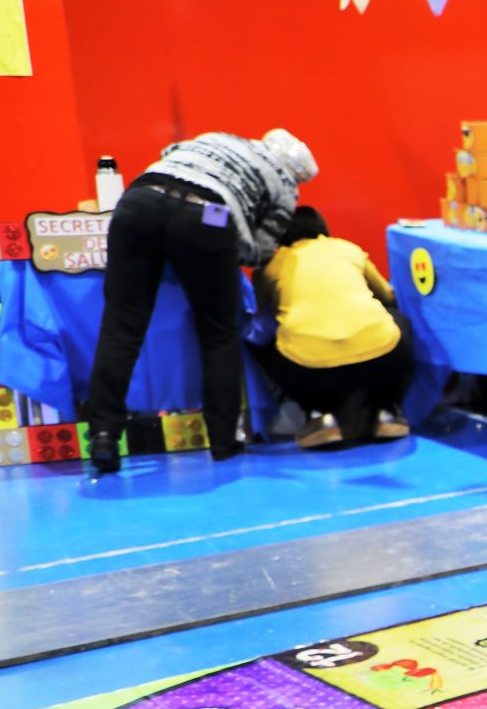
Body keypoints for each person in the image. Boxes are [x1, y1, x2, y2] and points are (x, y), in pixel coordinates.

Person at [84, 128, 315, 474]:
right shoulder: (285, 187)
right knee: (219, 334)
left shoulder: (218, 138)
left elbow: (168, 154)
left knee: (121, 325)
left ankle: (102, 432)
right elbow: (258, 252)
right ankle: (223, 440)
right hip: (209, 214)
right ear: (297, 175)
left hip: (139, 201)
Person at [251, 207, 415, 448]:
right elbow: (389, 295)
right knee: (399, 320)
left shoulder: (270, 265)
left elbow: (263, 310)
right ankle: (387, 409)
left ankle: (316, 414)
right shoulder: (347, 249)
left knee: (264, 340)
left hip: (307, 370)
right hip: (382, 358)